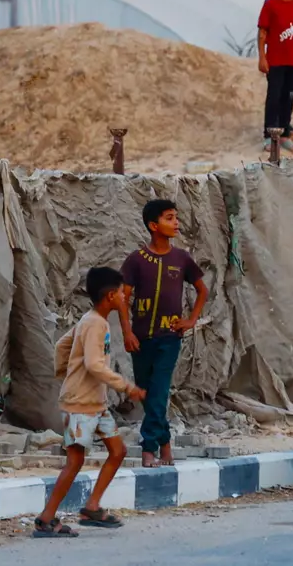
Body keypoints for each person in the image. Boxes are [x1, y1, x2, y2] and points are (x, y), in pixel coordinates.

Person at [34, 267, 147, 538]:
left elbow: (63, 344)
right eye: (121, 293)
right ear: (110, 296)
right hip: (80, 405)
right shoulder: (95, 323)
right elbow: (94, 365)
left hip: (95, 404)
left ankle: (92, 507)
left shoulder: (91, 320)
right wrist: (126, 386)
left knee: (117, 451)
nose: (124, 296)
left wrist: (65, 372)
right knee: (75, 461)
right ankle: (45, 520)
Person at [119, 199, 207, 468]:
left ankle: (148, 448)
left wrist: (191, 320)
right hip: (141, 339)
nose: (176, 222)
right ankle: (166, 443)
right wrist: (127, 333)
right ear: (153, 225)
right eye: (170, 218)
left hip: (169, 338)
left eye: (176, 217)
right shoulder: (136, 260)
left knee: (158, 392)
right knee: (148, 393)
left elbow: (202, 290)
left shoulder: (181, 258)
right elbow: (123, 298)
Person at [257, 0, 293, 150]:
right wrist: (262, 57)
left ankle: (284, 134)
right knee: (274, 97)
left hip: (292, 61)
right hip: (275, 60)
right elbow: (262, 33)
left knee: (289, 96)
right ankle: (269, 136)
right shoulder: (270, 6)